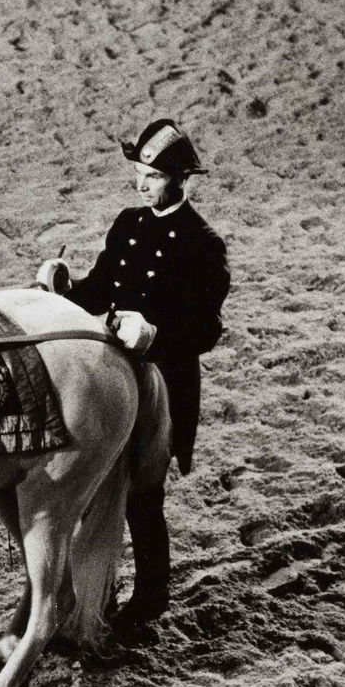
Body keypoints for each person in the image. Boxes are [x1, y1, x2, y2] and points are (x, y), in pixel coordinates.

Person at [35, 118, 230, 623]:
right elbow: (99, 291)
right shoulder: (128, 223)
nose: (141, 184)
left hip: (163, 385)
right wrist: (63, 286)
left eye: (153, 175)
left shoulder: (202, 244)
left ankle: (149, 602)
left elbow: (207, 329)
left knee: (144, 499)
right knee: (93, 487)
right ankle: (88, 592)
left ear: (181, 179)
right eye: (139, 172)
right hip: (113, 375)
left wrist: (156, 336)